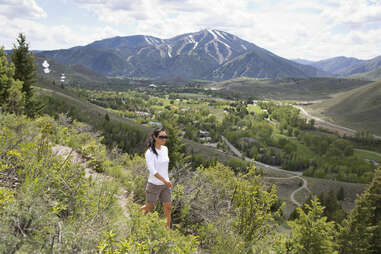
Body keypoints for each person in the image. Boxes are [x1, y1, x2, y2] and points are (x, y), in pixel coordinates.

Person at [140, 128, 172, 228]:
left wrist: (166, 181)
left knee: (168, 207)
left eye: (165, 137)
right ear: (154, 137)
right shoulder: (149, 153)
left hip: (165, 185)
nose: (164, 139)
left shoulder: (165, 149)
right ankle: (136, 215)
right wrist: (164, 180)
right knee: (150, 207)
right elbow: (153, 171)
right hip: (154, 184)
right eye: (161, 137)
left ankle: (166, 231)